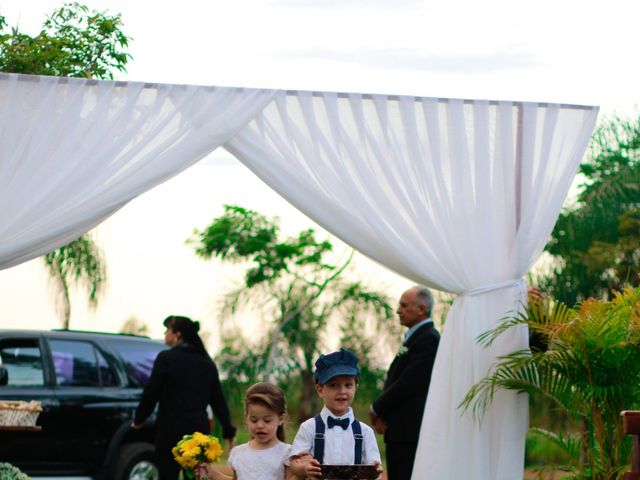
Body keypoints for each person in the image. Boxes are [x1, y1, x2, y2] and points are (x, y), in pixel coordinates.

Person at [132, 315, 237, 480]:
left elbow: (151, 393)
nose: (165, 334)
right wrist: (229, 431)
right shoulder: (207, 364)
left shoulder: (166, 358)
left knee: (167, 475)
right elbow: (218, 401)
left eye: (168, 330)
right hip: (198, 434)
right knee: (195, 476)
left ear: (177, 335)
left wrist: (139, 419)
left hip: (169, 432)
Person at [370, 286, 440, 480]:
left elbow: (409, 382)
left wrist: (377, 408)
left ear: (421, 309)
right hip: (399, 430)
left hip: (410, 432)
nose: (398, 310)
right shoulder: (414, 338)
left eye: (404, 305)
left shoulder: (429, 339)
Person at [288, 348, 383, 479]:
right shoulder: (309, 428)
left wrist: (375, 471)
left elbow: (374, 467)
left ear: (356, 387)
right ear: (320, 390)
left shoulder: (365, 432)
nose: (342, 391)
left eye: (348, 385)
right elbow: (294, 464)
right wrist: (304, 468)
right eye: (334, 385)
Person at [197, 382, 294, 480]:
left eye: (267, 420)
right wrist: (213, 474)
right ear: (246, 417)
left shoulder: (287, 454)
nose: (260, 425)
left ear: (281, 419)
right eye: (254, 420)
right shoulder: (238, 453)